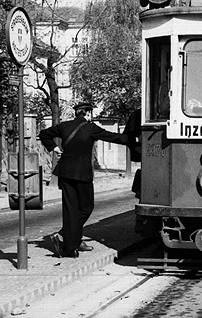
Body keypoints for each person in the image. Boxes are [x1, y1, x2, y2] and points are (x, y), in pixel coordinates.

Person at [39, 102, 133, 258]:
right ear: (88, 113)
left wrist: (55, 148)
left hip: (65, 173)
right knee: (86, 208)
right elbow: (114, 137)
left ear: (77, 113)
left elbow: (43, 134)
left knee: (70, 209)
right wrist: (134, 138)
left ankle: (72, 243)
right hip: (82, 174)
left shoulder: (64, 126)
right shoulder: (91, 128)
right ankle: (64, 236)